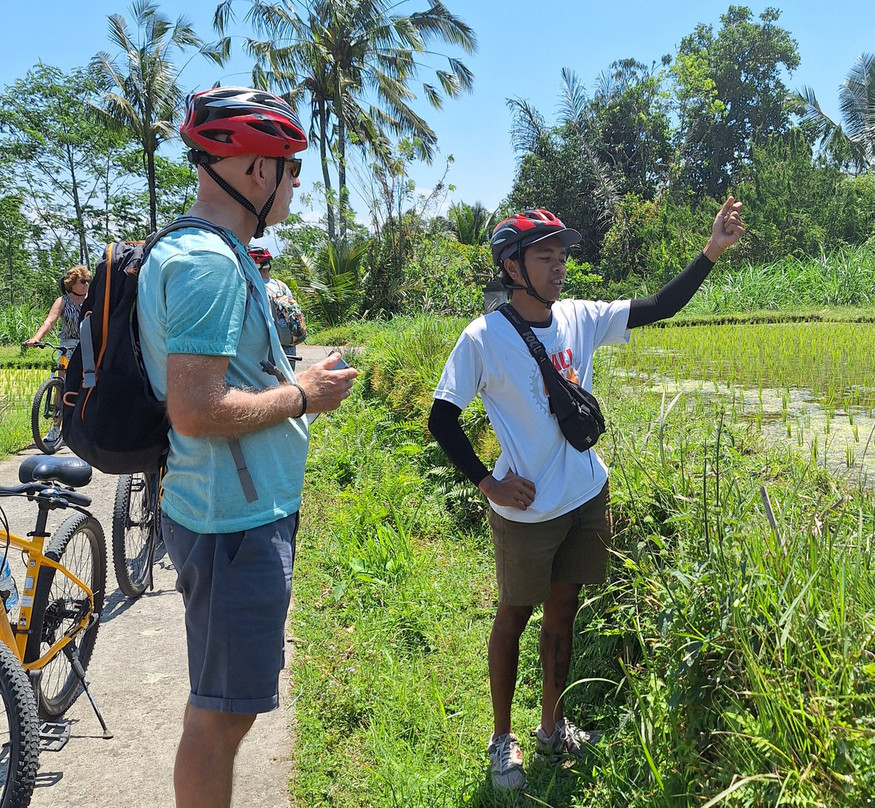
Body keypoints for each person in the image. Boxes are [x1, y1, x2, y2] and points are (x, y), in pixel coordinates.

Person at [428, 199, 745, 791]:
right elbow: (442, 418)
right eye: (545, 256)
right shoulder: (483, 339)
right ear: (512, 267)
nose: (559, 267)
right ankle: (503, 740)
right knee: (514, 616)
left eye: (561, 255)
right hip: (526, 513)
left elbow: (659, 306)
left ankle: (553, 726)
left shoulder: (579, 316)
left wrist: (711, 252)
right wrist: (487, 481)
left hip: (585, 496)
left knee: (564, 611)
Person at [136, 86, 357, 808]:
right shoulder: (206, 263)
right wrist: (302, 396)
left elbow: (221, 380)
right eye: (291, 167)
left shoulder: (216, 251)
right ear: (256, 171)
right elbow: (196, 410)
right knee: (220, 717)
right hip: (231, 522)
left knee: (225, 707)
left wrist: (290, 380)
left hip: (236, 512)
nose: (295, 182)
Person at [248, 246, 307, 363]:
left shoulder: (252, 287)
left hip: (267, 346)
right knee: (289, 380)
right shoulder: (281, 286)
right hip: (288, 344)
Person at [25, 264, 91, 356]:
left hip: (89, 344)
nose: (87, 284)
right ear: (72, 284)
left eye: (88, 281)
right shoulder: (62, 301)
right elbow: (49, 322)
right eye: (83, 281)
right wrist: (37, 338)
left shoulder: (93, 300)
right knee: (63, 368)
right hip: (68, 345)